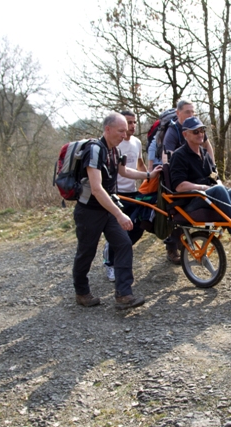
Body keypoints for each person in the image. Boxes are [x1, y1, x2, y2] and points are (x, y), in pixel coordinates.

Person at [72, 112, 162, 310]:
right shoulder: (95, 151)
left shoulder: (115, 150)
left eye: (126, 130)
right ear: (108, 129)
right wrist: (120, 214)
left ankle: (124, 295)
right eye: (120, 130)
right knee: (87, 251)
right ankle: (82, 291)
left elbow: (124, 171)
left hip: (107, 209)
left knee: (123, 244)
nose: (125, 134)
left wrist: (148, 174)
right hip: (89, 211)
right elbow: (96, 188)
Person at [169, 117, 231, 250]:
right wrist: (204, 188)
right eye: (195, 132)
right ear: (185, 134)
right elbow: (179, 186)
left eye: (202, 130)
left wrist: (220, 186)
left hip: (212, 197)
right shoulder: (179, 156)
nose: (200, 134)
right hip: (192, 203)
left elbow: (215, 177)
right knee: (218, 190)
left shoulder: (205, 154)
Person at [162, 100, 215, 263]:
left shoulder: (200, 144)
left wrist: (214, 170)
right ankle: (172, 247)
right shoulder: (172, 133)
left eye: (193, 112)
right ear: (178, 113)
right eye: (187, 112)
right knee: (175, 218)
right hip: (183, 181)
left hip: (197, 173)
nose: (191, 115)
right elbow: (166, 156)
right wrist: (167, 173)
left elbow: (207, 145)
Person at [102, 110, 147, 282]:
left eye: (134, 122)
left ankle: (115, 252)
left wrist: (148, 179)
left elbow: (140, 163)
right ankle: (110, 263)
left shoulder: (136, 142)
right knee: (119, 232)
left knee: (139, 226)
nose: (132, 126)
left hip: (133, 192)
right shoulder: (114, 143)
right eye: (128, 122)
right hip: (116, 193)